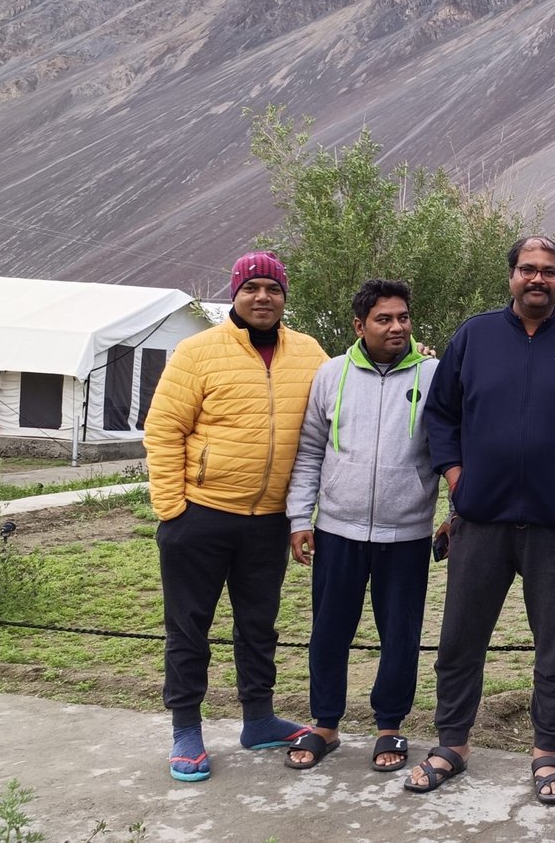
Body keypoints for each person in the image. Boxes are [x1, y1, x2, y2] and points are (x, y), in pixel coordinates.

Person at [412, 235, 555, 804]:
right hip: (479, 520)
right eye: (528, 269)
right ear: (510, 275)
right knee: (460, 637)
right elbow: (441, 415)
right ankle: (452, 743)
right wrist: (456, 477)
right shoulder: (474, 336)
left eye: (549, 271)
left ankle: (546, 750)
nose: (538, 279)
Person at [143, 251, 328, 782]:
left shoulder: (309, 353)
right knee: (188, 628)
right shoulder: (197, 351)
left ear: (284, 297)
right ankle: (186, 729)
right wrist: (172, 510)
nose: (262, 297)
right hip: (199, 516)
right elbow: (164, 430)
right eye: (252, 288)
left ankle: (259, 719)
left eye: (273, 288)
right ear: (235, 294)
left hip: (268, 521)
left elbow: (346, 388)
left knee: (258, 626)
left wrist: (414, 356)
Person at [282, 279, 439, 773]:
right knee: (329, 632)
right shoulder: (331, 374)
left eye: (403, 317)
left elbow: (451, 449)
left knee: (401, 634)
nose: (397, 327)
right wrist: (299, 518)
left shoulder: (435, 375)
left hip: (407, 534)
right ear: (359, 325)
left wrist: (454, 515)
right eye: (383, 319)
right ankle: (325, 724)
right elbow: (310, 450)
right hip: (337, 531)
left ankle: (390, 726)